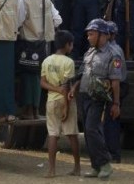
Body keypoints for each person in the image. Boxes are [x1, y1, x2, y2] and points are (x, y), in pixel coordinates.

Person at [72, 18, 122, 179]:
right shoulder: (89, 52)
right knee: (87, 131)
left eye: (91, 34)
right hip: (84, 95)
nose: (88, 37)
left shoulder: (113, 55)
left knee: (92, 129)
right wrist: (73, 88)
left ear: (103, 35)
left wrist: (116, 103)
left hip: (98, 97)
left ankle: (105, 163)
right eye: (88, 35)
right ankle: (96, 166)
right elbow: (82, 73)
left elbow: (115, 81)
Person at [17, 0, 62, 119]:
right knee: (37, 76)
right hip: (42, 45)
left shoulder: (24, 1)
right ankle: (35, 110)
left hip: (26, 44)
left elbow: (18, 21)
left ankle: (27, 110)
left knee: (26, 76)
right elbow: (58, 20)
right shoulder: (47, 1)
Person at [40, 30, 80, 178]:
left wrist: (54, 89)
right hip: (65, 100)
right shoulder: (68, 62)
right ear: (67, 45)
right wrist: (66, 107)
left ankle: (51, 170)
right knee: (72, 134)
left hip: (51, 101)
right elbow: (67, 86)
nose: (72, 47)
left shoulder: (46, 60)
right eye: (71, 44)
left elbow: (42, 82)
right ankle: (77, 167)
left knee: (52, 134)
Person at [104, 20, 127, 163]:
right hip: (113, 88)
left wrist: (116, 102)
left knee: (111, 122)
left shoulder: (114, 51)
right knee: (109, 123)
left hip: (114, 88)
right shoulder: (112, 48)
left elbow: (116, 79)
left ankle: (113, 153)